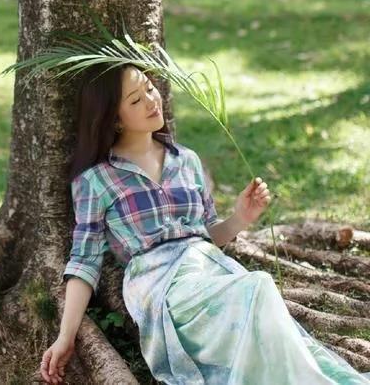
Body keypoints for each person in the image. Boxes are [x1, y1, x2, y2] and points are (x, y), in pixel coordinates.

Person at [39, 63, 370, 385]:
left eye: (150, 88)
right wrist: (65, 337)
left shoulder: (187, 160)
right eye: (136, 100)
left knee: (259, 297)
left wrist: (241, 217)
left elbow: (208, 234)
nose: (152, 100)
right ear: (114, 119)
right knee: (256, 290)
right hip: (158, 284)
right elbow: (84, 263)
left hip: (210, 269)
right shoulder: (95, 180)